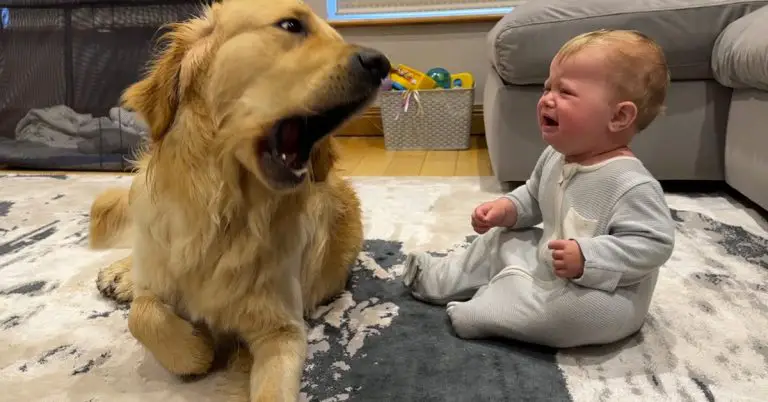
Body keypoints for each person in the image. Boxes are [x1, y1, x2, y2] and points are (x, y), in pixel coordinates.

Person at [401, 29, 676, 348]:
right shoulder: (555, 157)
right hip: (551, 261)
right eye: (548, 87)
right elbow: (533, 195)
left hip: (604, 291)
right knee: (500, 240)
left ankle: (490, 309)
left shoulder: (630, 183)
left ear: (619, 116)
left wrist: (589, 258)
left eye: (565, 92)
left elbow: (654, 244)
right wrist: (507, 210)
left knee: (569, 314)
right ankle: (438, 277)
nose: (547, 98)